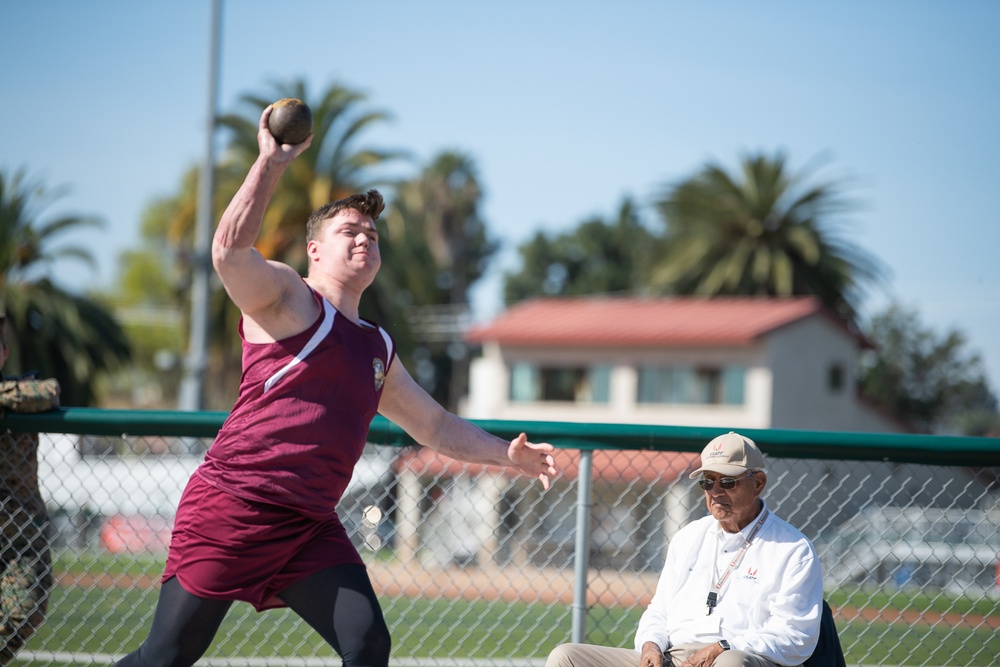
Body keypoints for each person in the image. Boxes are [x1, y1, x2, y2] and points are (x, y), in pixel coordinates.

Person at [115, 104, 558, 667]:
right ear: (314, 251)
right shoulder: (288, 299)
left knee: (368, 643)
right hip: (237, 503)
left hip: (308, 526)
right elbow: (228, 252)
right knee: (167, 656)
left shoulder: (377, 346)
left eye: (371, 233)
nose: (364, 239)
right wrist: (270, 164)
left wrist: (506, 455)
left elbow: (436, 426)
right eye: (348, 231)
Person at [546, 431, 823, 667]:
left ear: (758, 483)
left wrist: (723, 647)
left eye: (727, 482)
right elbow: (660, 609)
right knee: (566, 657)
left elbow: (795, 635)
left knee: (731, 664)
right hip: (673, 657)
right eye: (707, 482)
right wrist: (650, 645)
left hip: (740, 657)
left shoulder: (792, 548)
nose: (715, 492)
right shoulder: (689, 536)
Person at [0, 315, 61, 665]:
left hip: (19, 532)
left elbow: (49, 391)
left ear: (5, 352)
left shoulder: (22, 391)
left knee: (26, 612)